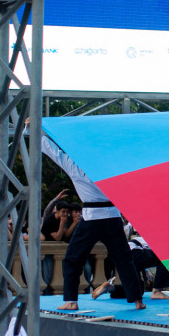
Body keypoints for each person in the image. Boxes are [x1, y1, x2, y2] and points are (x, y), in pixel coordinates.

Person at [42, 133, 146, 312]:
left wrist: (37, 133)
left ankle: (71, 301)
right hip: (113, 217)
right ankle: (137, 300)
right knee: (124, 259)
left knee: (73, 259)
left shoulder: (76, 167)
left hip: (92, 218)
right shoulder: (112, 168)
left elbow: (54, 153)